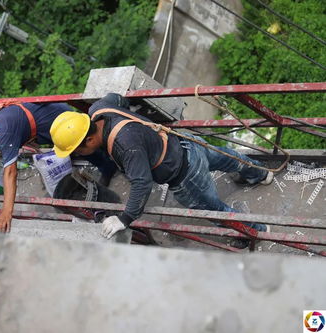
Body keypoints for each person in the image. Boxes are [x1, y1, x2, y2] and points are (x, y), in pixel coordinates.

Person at [50, 93, 274, 248]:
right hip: (187, 143)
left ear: (89, 139)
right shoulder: (98, 109)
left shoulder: (124, 145)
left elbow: (142, 183)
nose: (78, 155)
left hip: (186, 176)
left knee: (213, 209)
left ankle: (258, 230)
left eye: (78, 150)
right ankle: (261, 174)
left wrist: (124, 218)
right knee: (226, 158)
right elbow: (119, 98)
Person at [0, 102, 116, 233]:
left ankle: (112, 163)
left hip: (58, 121)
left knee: (81, 146)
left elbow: (10, 173)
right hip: (41, 130)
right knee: (78, 150)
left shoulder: (3, 129)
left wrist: (6, 211)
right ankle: (107, 163)